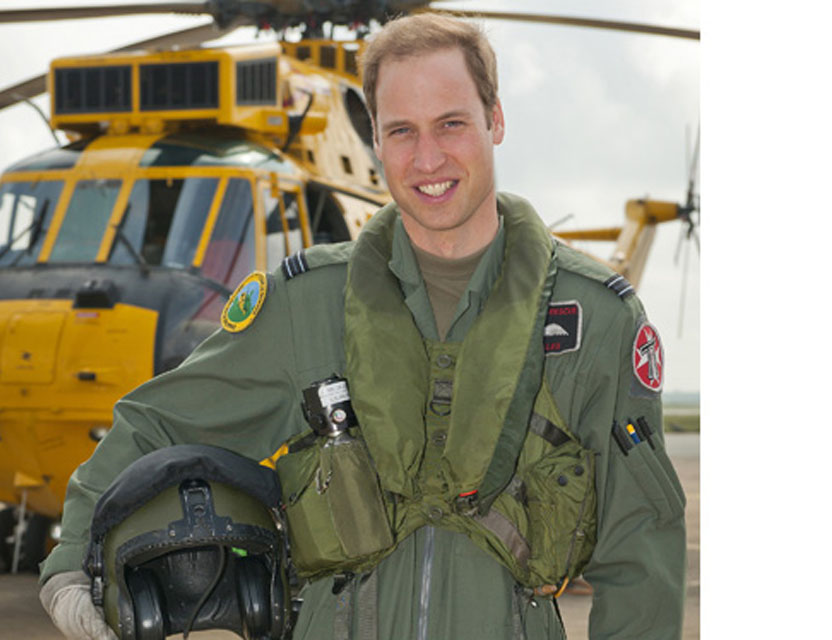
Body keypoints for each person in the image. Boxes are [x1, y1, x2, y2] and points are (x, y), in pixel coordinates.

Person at [39, 13, 686, 640]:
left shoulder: (592, 318)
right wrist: (71, 561)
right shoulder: (308, 304)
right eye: (402, 131)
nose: (428, 158)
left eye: (452, 124)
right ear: (375, 139)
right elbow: (158, 421)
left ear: (496, 120)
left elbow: (641, 549)